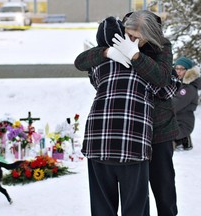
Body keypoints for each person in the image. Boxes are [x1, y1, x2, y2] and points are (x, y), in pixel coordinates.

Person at [75, 10, 179, 216]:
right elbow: (82, 63)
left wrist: (136, 57)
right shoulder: (118, 43)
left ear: (149, 36)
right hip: (129, 130)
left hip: (158, 129)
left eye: (136, 38)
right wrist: (106, 52)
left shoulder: (162, 47)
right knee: (131, 196)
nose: (130, 40)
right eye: (128, 34)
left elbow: (164, 80)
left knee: (163, 188)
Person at [173, 57, 201, 150]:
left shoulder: (188, 89)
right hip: (177, 123)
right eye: (176, 68)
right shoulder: (181, 84)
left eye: (181, 69)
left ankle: (182, 141)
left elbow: (173, 105)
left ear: (188, 71)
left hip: (182, 125)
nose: (178, 71)